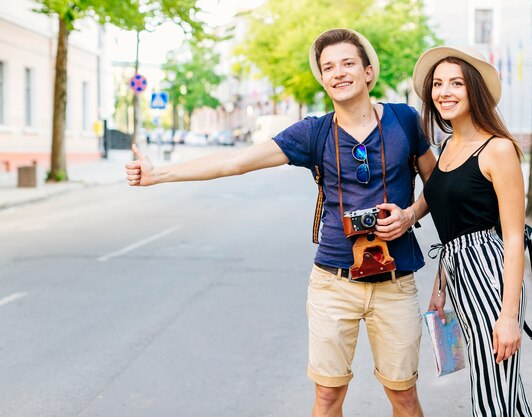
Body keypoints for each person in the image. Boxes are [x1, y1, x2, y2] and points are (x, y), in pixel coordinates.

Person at [126, 28, 436, 417]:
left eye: (347, 63)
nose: (338, 73)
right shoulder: (313, 132)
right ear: (322, 79)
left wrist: (410, 215)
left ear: (368, 71)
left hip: (395, 283)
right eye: (328, 68)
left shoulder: (404, 120)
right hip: (333, 284)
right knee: (327, 397)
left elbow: (437, 185)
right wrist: (160, 175)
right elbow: (233, 162)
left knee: (404, 397)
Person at [413, 46, 532, 417]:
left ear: (474, 91)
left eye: (456, 83)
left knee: (491, 398)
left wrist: (509, 316)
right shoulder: (448, 146)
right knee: (505, 396)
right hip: (459, 274)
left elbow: (512, 237)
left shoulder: (497, 149)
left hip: (490, 276)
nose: (444, 92)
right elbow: (453, 223)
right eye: (437, 84)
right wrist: (440, 285)